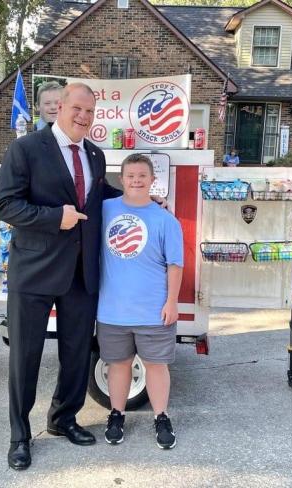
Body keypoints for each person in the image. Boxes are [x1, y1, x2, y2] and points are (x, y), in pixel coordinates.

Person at [0, 82, 122, 471]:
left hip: (81, 272)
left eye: (90, 111)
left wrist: (140, 198)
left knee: (77, 353)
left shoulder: (95, 155)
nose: (84, 116)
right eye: (77, 108)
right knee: (26, 356)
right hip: (34, 270)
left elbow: (96, 196)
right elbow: (5, 204)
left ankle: (63, 418)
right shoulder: (27, 149)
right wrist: (55, 218)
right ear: (60, 107)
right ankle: (20, 435)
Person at [97, 153, 184, 450]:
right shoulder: (104, 210)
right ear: (121, 180)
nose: (136, 180)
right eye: (130, 176)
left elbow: (175, 264)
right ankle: (116, 415)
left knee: (156, 366)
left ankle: (161, 417)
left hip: (153, 310)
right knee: (118, 365)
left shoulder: (165, 219)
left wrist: (172, 302)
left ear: (152, 180)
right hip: (112, 310)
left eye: (142, 176)